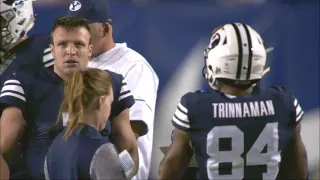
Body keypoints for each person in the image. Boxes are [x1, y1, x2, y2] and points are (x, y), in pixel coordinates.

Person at [158, 23, 308, 179]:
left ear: (217, 61)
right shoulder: (284, 102)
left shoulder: (195, 106)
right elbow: (298, 170)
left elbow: (170, 171)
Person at [0, 17, 138, 179]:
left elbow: (128, 148)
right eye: (62, 44)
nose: (70, 51)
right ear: (52, 50)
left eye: (78, 44)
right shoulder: (25, 84)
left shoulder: (110, 83)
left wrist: (115, 173)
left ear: (89, 50)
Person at [66, 0, 159, 178]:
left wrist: (122, 170)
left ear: (105, 29)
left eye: (83, 29)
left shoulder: (133, 66)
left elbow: (133, 130)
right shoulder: (78, 65)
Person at [44, 68, 126, 180]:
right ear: (100, 101)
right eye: (110, 102)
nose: (110, 110)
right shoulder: (103, 151)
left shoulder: (54, 147)